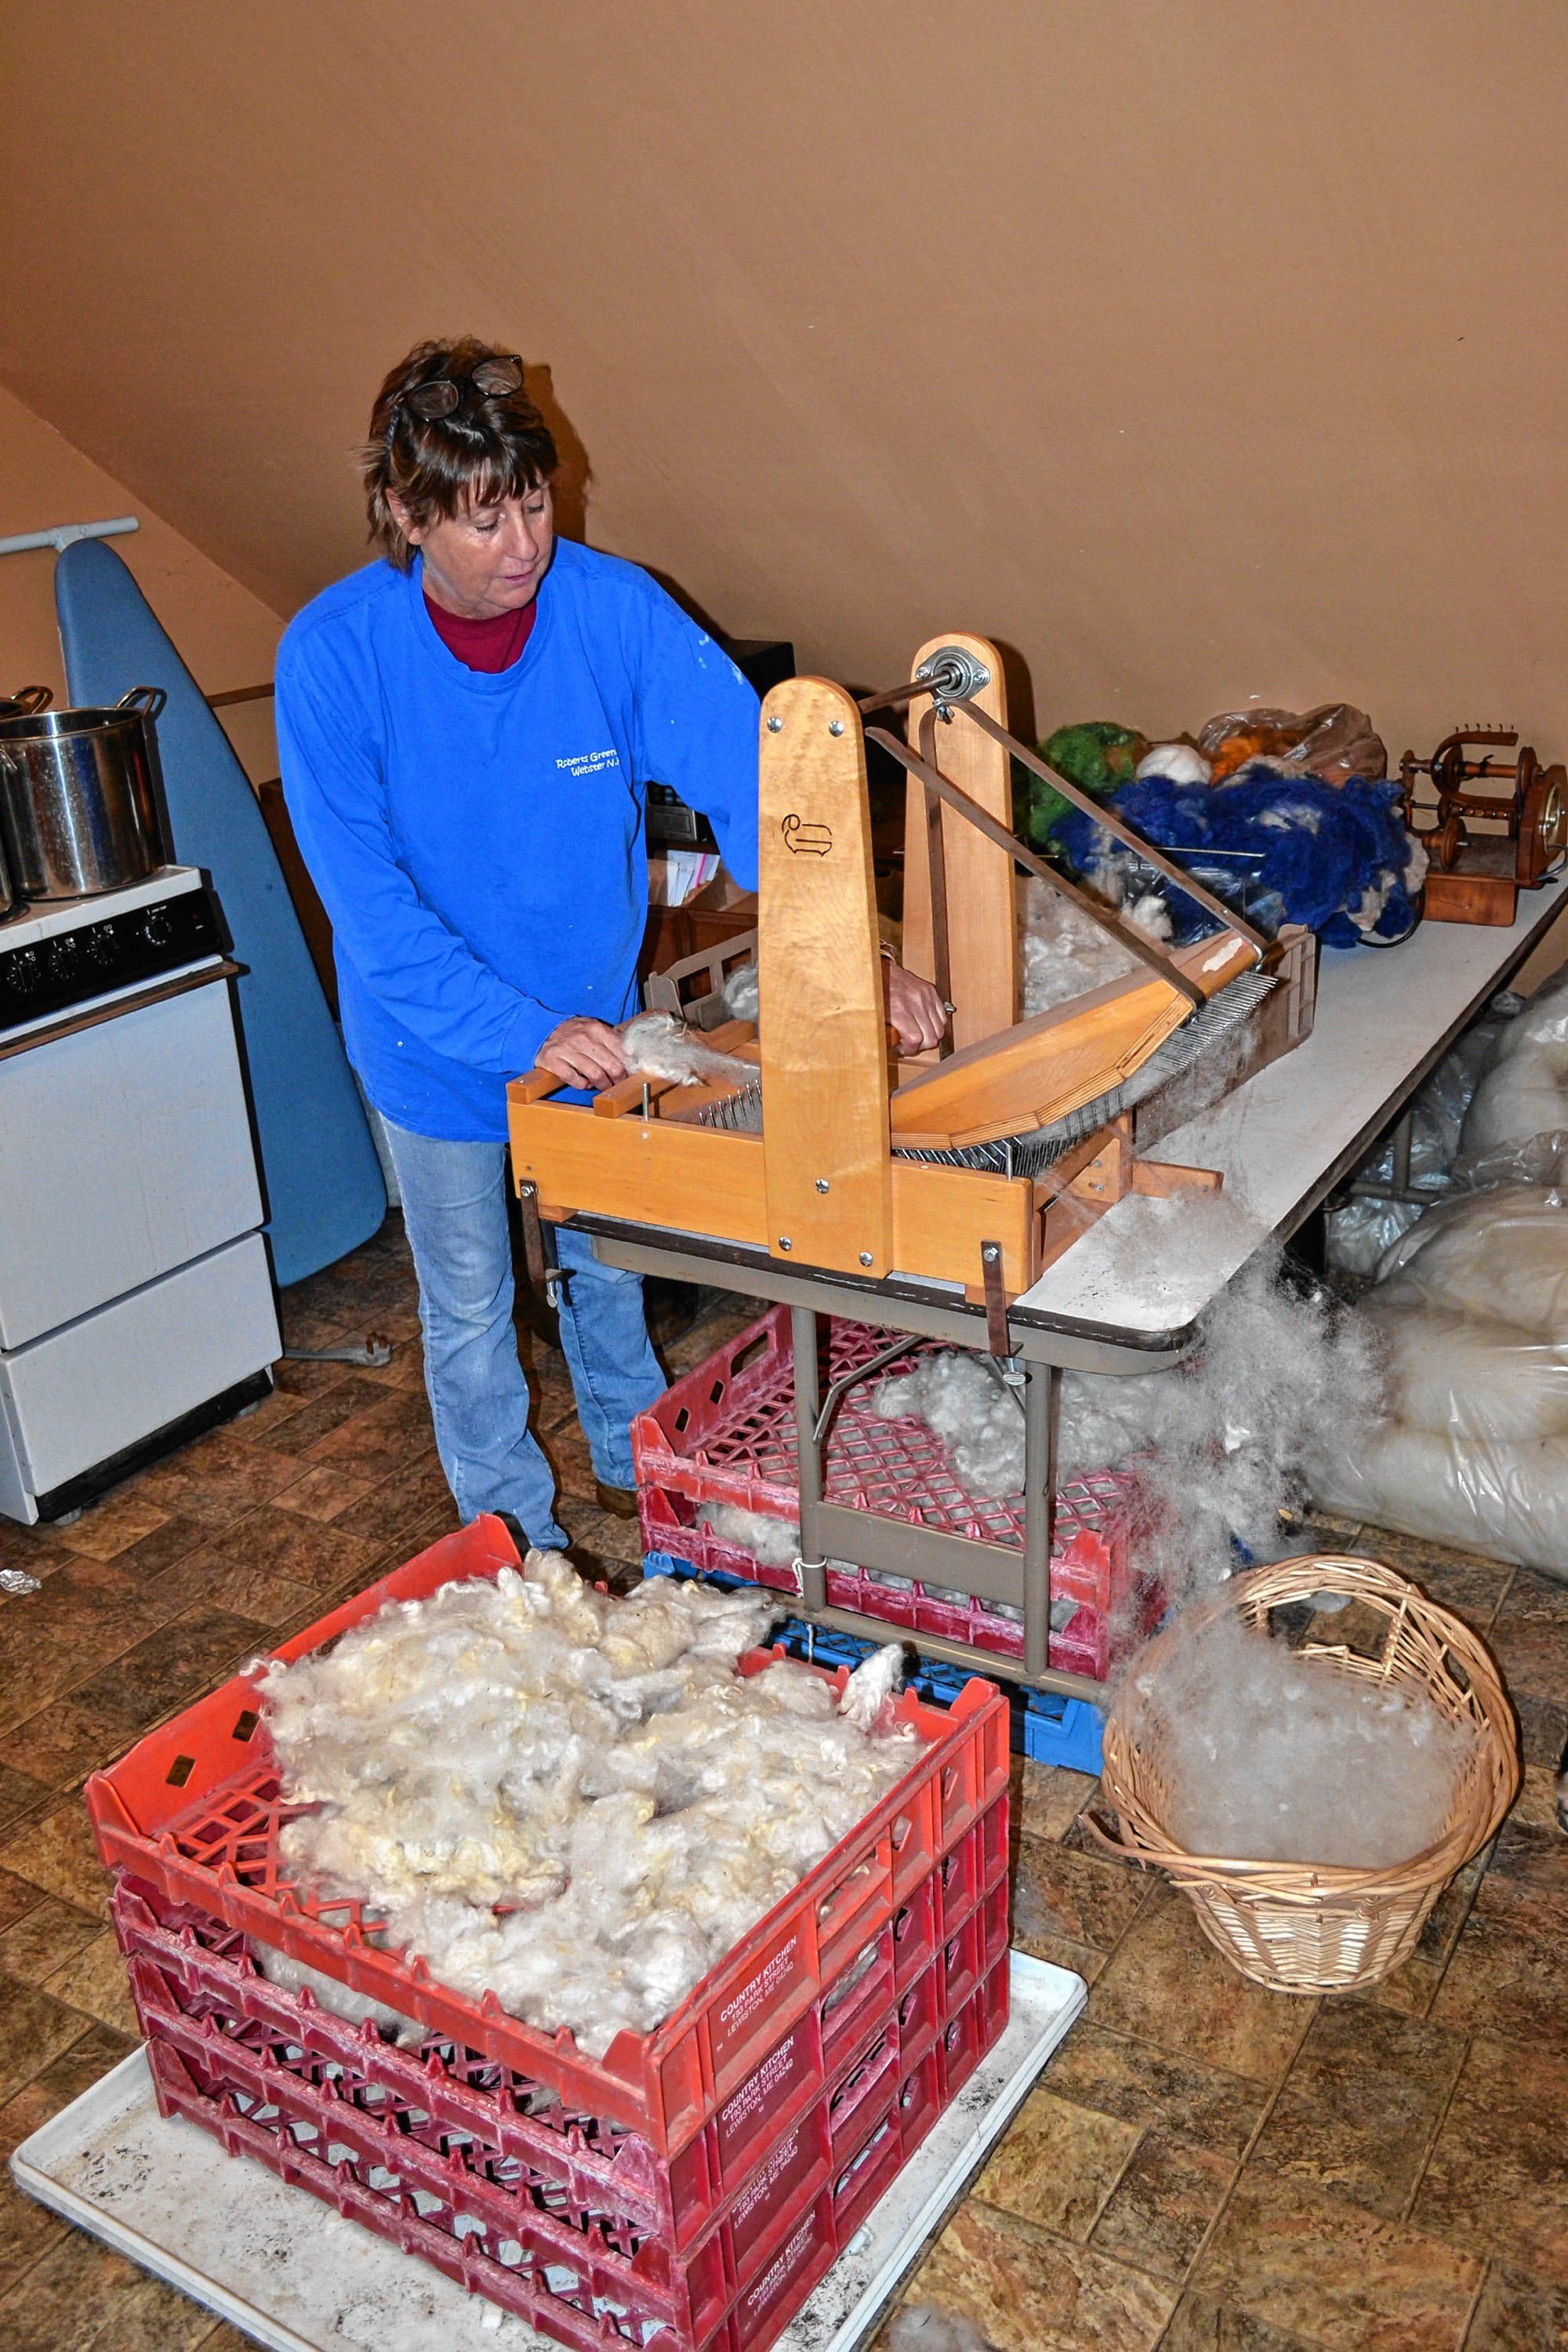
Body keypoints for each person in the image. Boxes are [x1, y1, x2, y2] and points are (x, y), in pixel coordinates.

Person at [277, 336, 946, 1552]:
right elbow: (370, 914)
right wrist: (521, 1033)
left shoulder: (611, 612)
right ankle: (516, 1543)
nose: (523, 545)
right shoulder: (332, 659)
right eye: (482, 523)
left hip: (597, 1023)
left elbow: (768, 792)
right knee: (473, 1306)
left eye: (532, 503)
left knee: (609, 1269)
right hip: (433, 1048)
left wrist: (855, 958)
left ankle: (655, 1495)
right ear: (404, 514)